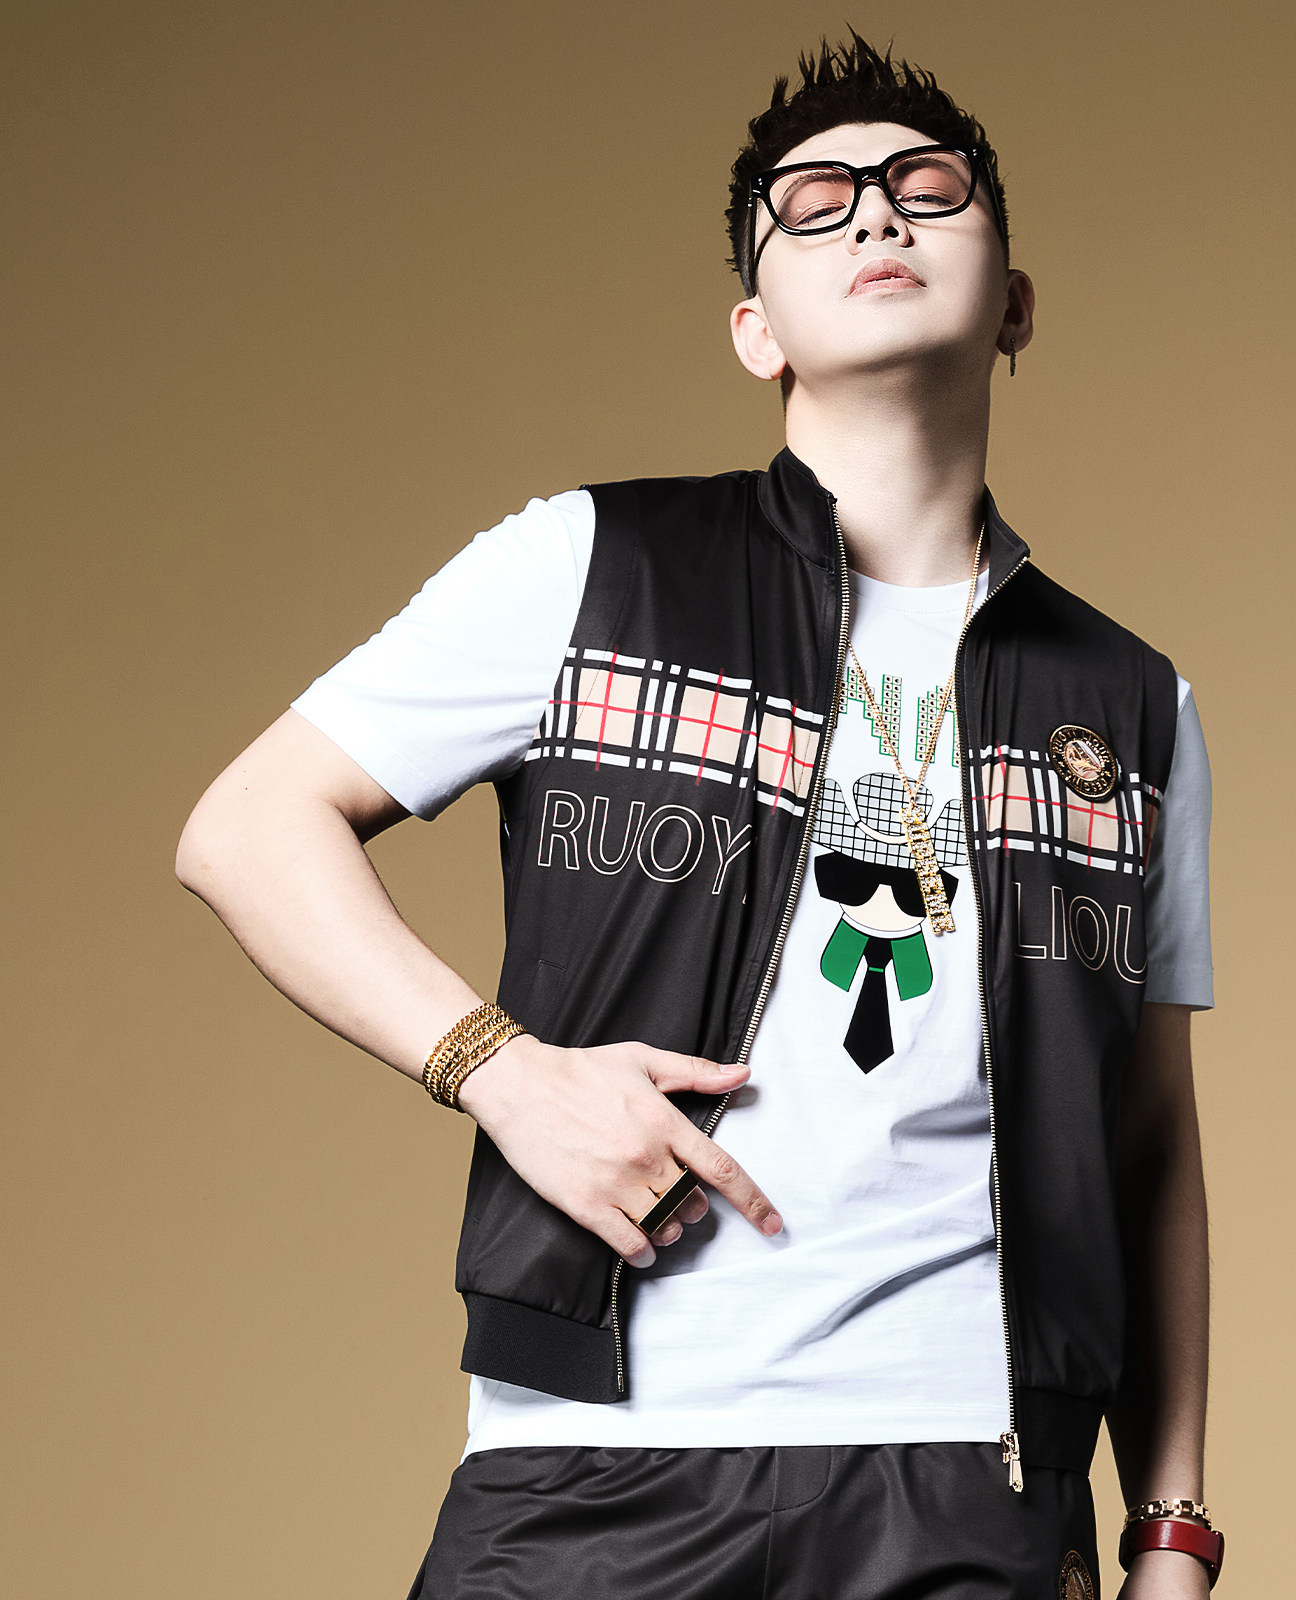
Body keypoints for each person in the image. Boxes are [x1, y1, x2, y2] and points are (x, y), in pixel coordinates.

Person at [176, 33, 1220, 1600]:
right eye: (816, 203)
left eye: (928, 187)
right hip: (593, 1468)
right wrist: (499, 1072)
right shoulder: (592, 571)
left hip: (972, 1485)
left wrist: (1171, 1526)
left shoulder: (1130, 704)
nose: (878, 214)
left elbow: (1147, 1142)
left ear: (1014, 301)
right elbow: (248, 827)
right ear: (755, 330)